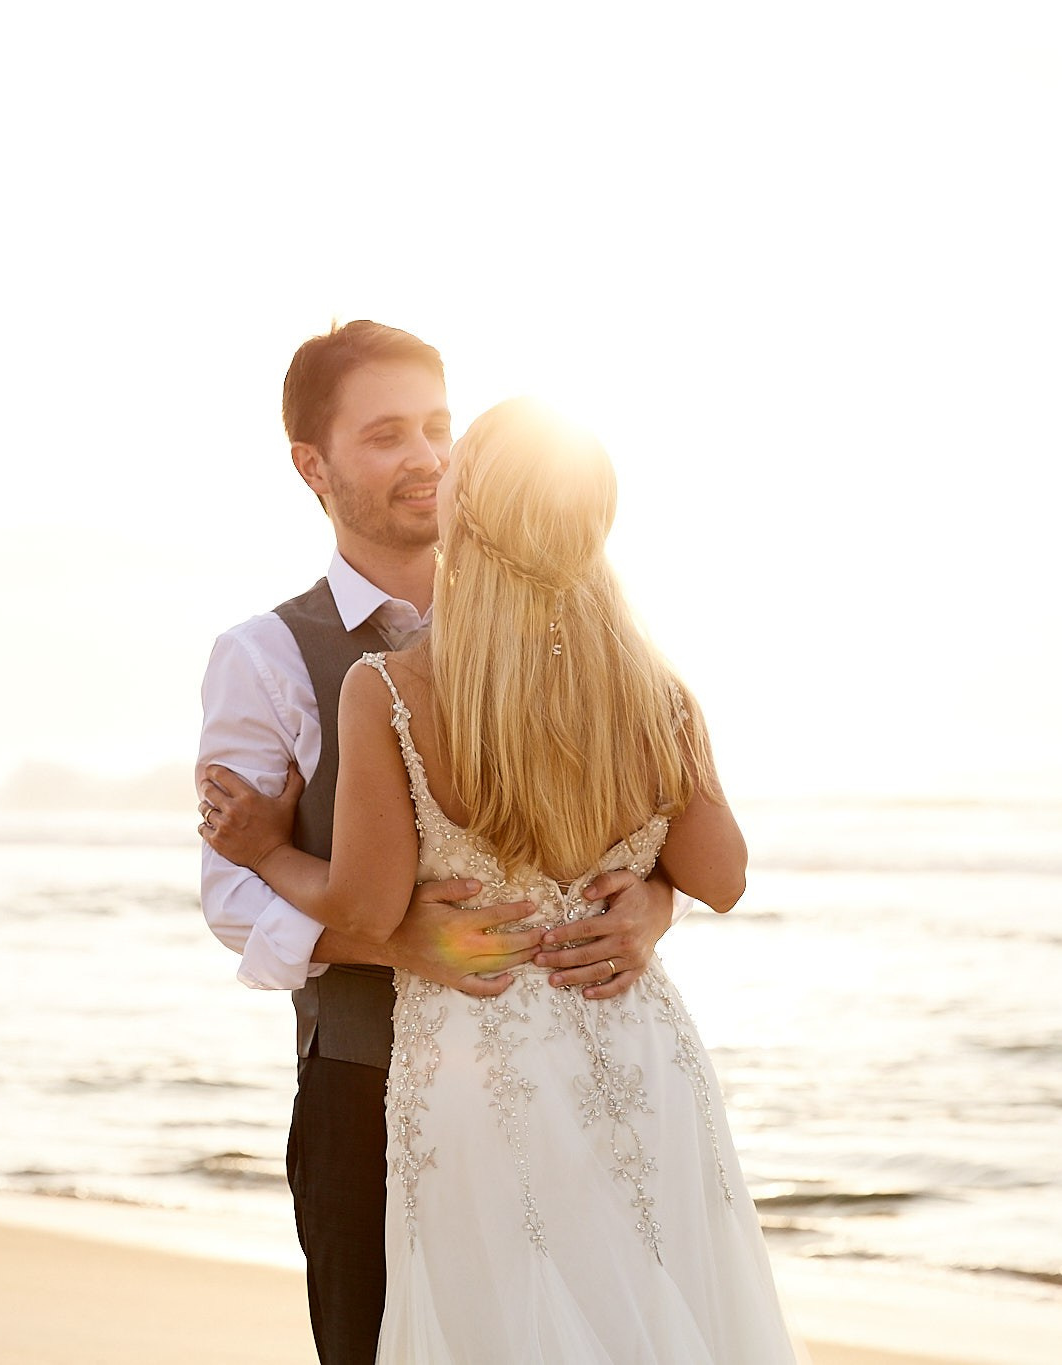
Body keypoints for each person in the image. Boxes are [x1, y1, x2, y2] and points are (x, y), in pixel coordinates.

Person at [203, 397, 798, 1361]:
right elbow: (723, 876)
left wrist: (268, 851)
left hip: (485, 1075)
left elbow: (367, 906)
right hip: (639, 1055)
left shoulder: (393, 689)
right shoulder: (656, 693)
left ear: (464, 519)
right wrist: (651, 893)